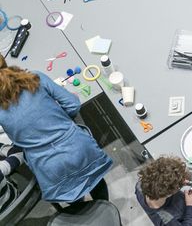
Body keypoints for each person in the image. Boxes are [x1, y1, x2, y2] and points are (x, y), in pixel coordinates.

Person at [0, 55, 112, 208]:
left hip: (48, 167)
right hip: (79, 148)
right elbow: (72, 105)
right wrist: (58, 121)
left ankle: (87, 216)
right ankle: (106, 209)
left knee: (73, 198)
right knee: (95, 181)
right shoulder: (34, 78)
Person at [135, 155, 192, 226]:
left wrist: (178, 182)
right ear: (170, 193)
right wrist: (190, 206)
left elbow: (160, 180)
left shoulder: (140, 185)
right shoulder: (166, 220)